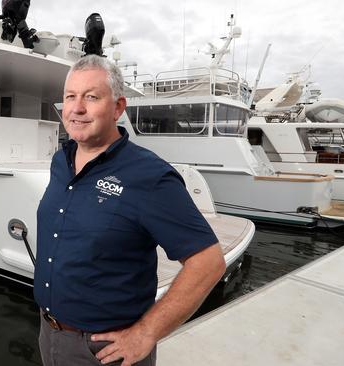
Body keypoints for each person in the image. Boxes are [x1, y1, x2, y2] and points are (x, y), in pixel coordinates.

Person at [34, 55, 226, 366]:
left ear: (118, 107)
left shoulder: (149, 176)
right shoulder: (61, 160)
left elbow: (208, 262)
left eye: (91, 97)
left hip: (104, 352)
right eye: (71, 96)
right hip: (50, 333)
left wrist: (147, 332)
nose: (77, 108)